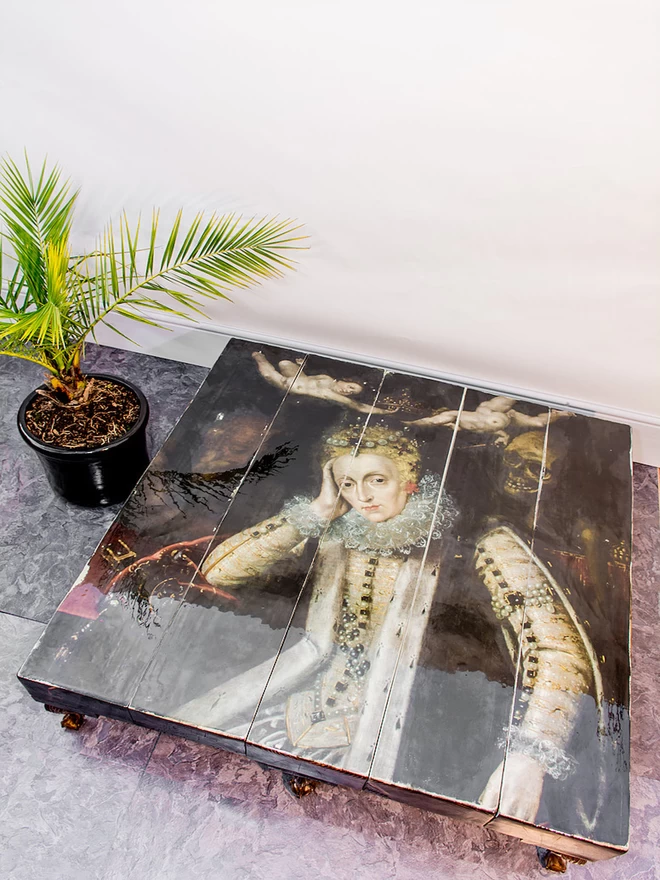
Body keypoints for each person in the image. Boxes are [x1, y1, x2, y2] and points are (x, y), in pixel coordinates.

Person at [175, 422, 598, 824]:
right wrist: (318, 509)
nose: (362, 496)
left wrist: (532, 754)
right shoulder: (333, 527)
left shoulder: (476, 542)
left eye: (377, 479)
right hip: (296, 706)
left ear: (409, 477)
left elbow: (557, 650)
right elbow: (220, 571)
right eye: (347, 483)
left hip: (420, 723)